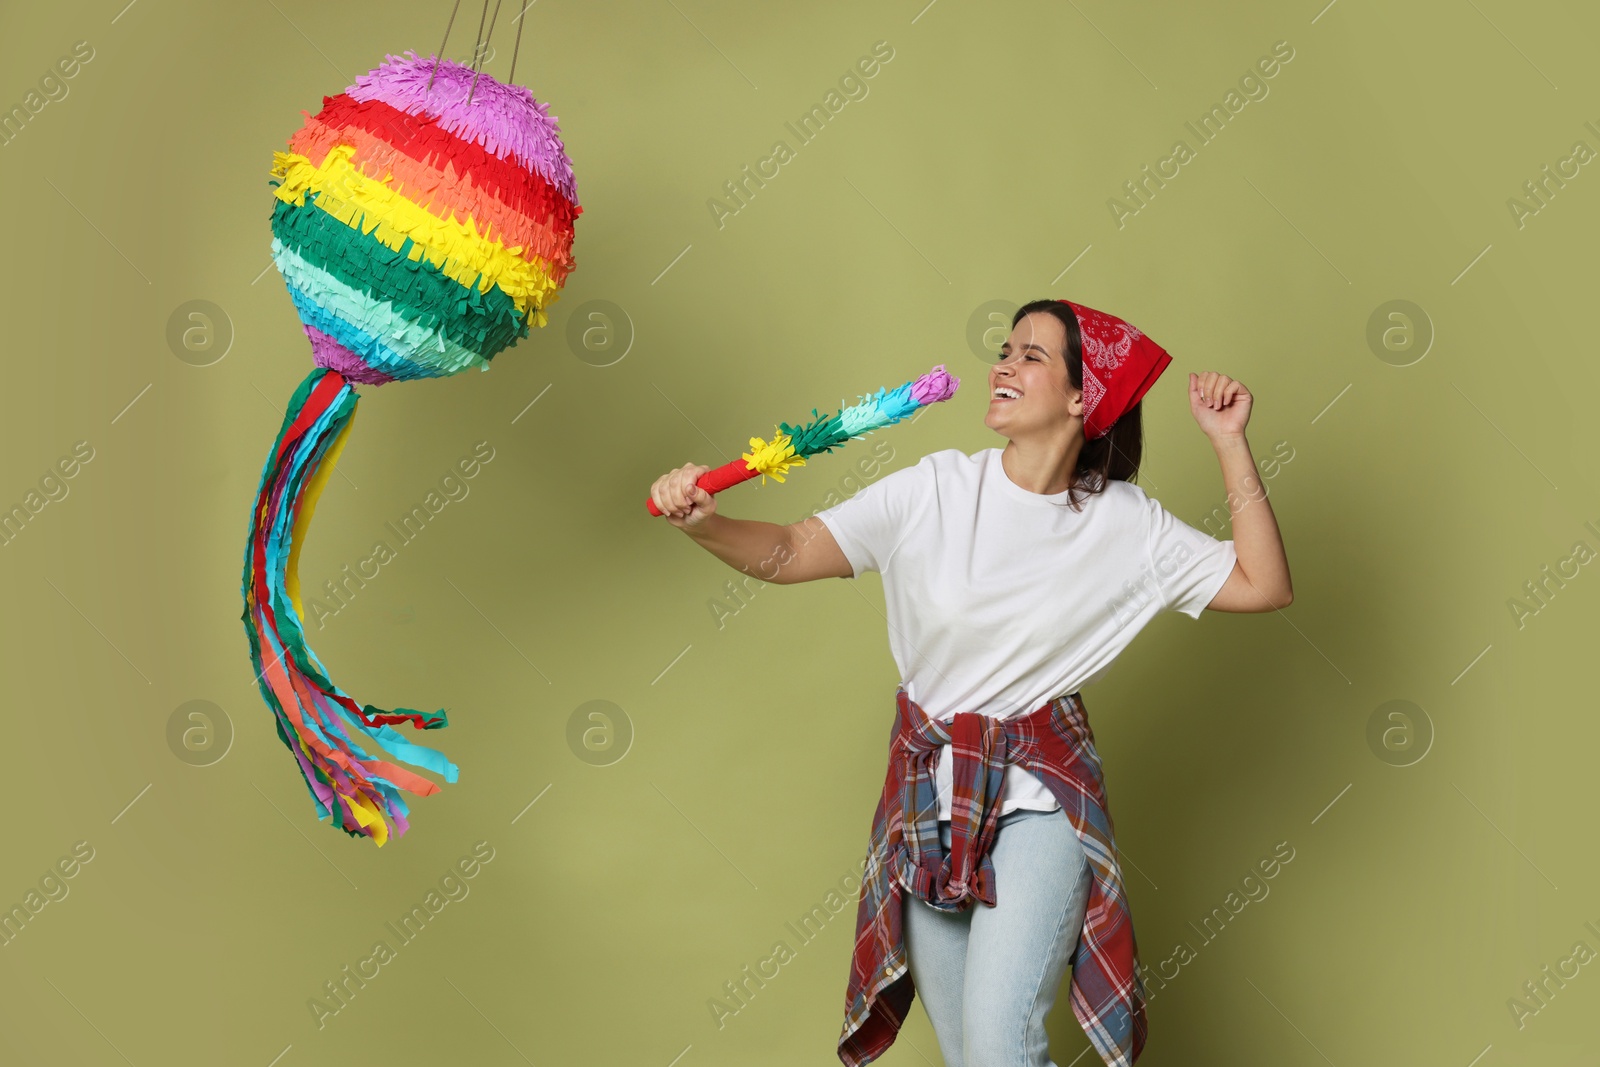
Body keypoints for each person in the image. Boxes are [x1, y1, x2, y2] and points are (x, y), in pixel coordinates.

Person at [648, 298, 1292, 1067]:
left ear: (1086, 395)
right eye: (1005, 349)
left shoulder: (1126, 525)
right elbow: (790, 549)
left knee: (998, 1046)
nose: (1003, 366)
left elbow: (1262, 582)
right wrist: (705, 525)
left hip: (1039, 805)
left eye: (1031, 355)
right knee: (967, 1054)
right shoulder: (935, 490)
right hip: (927, 798)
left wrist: (1229, 443)